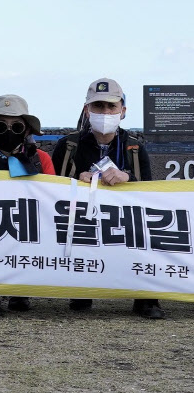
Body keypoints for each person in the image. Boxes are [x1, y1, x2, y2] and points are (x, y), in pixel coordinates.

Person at [51, 77, 163, 319]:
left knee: (146, 231)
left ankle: (146, 296)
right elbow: (50, 189)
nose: (105, 112)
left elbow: (149, 194)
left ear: (123, 111)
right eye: (98, 106)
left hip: (122, 223)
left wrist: (127, 178)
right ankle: (81, 286)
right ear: (87, 110)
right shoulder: (68, 145)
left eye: (111, 107)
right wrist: (75, 180)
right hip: (81, 222)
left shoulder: (134, 148)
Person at [0, 94, 55, 317]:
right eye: (1, 125)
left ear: (26, 130)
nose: (8, 131)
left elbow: (54, 195)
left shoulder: (41, 159)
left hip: (29, 225)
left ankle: (20, 288)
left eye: (16, 126)